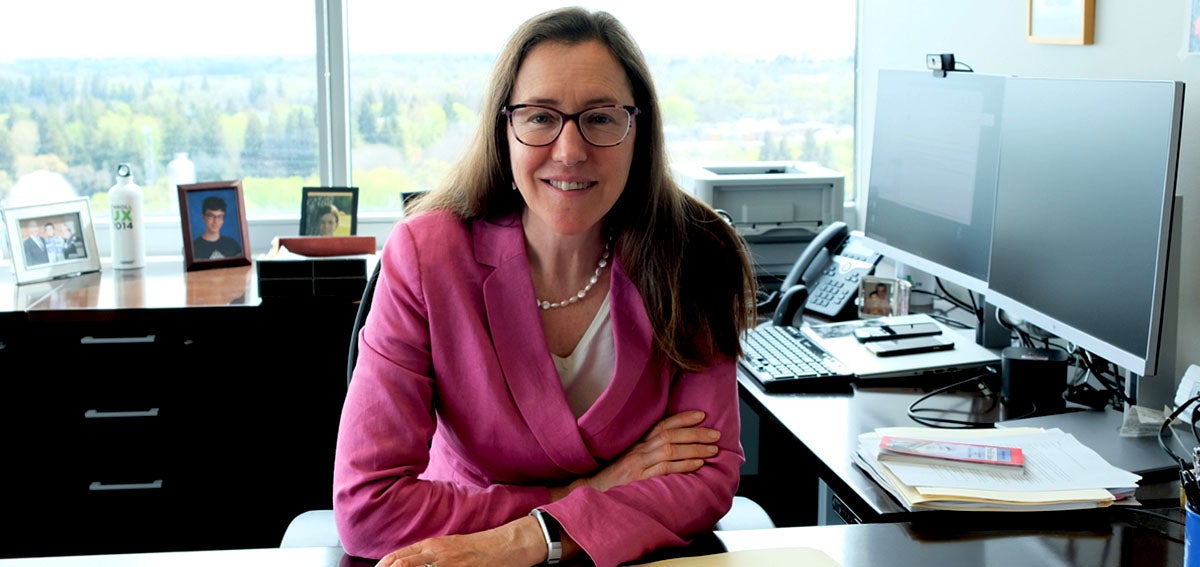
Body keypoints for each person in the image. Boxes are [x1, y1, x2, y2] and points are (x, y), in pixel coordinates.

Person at [334, 7, 757, 567]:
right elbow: (369, 508)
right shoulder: (425, 254)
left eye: (601, 118)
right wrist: (589, 493)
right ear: (504, 128)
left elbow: (705, 478)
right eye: (539, 117)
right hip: (457, 556)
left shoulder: (697, 253)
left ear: (639, 131)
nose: (569, 150)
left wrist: (535, 537)